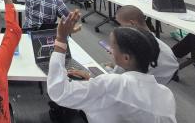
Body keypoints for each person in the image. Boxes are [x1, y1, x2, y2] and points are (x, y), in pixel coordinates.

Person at [47, 10, 177, 123]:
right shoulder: (166, 94)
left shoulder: (112, 84)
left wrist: (61, 40)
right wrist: (92, 81)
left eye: (113, 47)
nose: (109, 50)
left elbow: (59, 92)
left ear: (126, 58)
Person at [112, 5, 178, 84]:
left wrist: (116, 57)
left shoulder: (133, 47)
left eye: (121, 24)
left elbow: (117, 78)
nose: (120, 28)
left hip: (133, 86)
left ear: (132, 23)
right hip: (155, 86)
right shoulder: (166, 49)